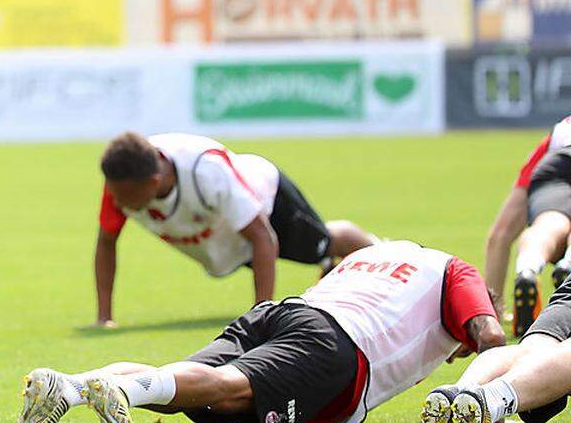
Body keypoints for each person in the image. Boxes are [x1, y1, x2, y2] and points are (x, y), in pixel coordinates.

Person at [15, 241, 505, 423]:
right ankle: (122, 393)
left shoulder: (386, 252)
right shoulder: (455, 271)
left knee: (188, 387)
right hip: (336, 342)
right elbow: (491, 335)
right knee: (229, 387)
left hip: (283, 311)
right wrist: (481, 397)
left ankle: (71, 387)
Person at [95, 132, 378, 324]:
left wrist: (261, 315)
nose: (116, 202)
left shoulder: (206, 171)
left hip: (267, 203)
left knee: (325, 243)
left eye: (123, 196)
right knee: (272, 252)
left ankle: (384, 256)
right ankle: (329, 265)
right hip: (226, 231)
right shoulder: (123, 180)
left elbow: (262, 236)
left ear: (153, 183)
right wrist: (104, 317)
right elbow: (106, 241)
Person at [422, 143, 571, 423]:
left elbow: (500, 233)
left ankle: (459, 394)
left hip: (554, 166)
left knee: (532, 349)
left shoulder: (559, 133)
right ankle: (488, 401)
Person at [483, 116, 571, 336]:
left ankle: (528, 269)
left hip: (554, 165)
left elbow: (500, 234)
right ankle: (567, 265)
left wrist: (492, 313)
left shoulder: (561, 128)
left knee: (550, 223)